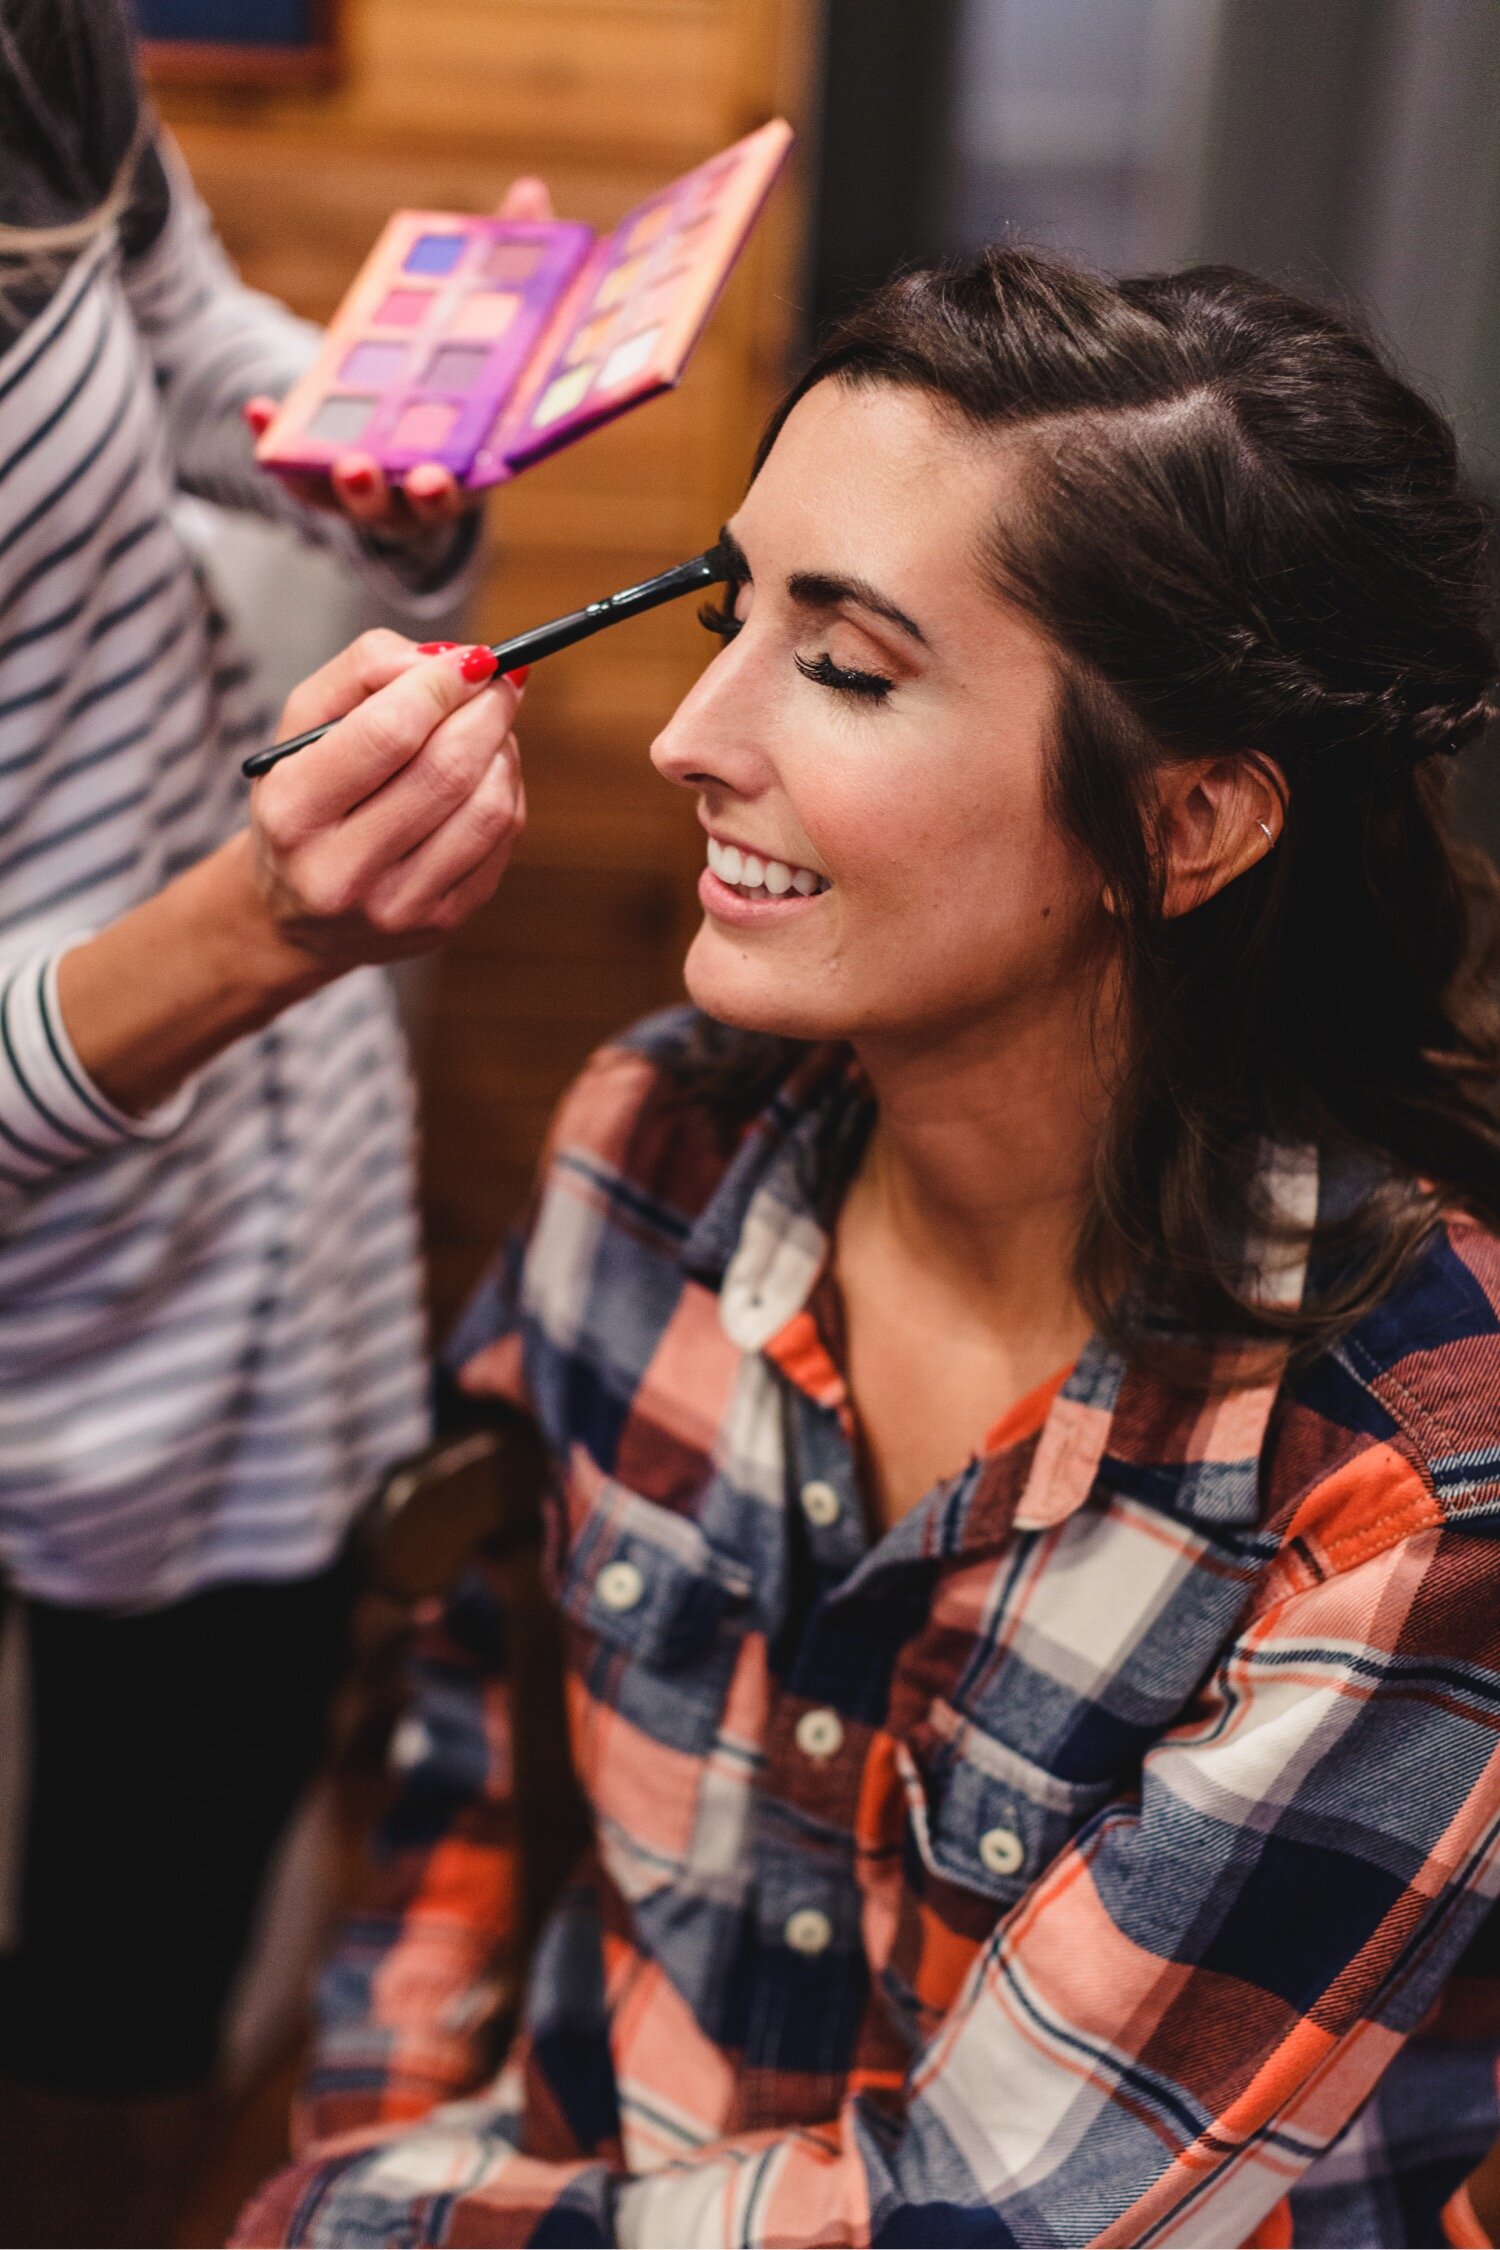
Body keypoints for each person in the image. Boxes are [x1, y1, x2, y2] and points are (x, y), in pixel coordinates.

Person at [238, 244, 1500, 2250]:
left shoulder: (1409, 1478)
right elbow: (469, 1738)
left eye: (846, 664)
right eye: (737, 610)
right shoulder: (648, 1150)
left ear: (1182, 830)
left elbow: (980, 2223)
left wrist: (367, 2231)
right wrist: (378, 2135)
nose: (689, 734)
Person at [0, 0, 543, 2239]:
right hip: (68, 1267)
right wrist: (243, 933)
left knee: (157, 2004)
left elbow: (170, 316)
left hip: (246, 1219)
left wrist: (382, 446)